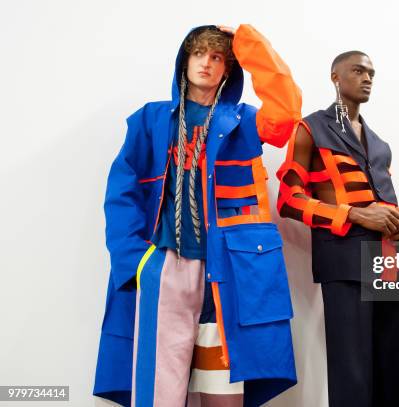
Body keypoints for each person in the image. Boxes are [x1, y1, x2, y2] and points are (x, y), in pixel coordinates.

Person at [93, 24, 302, 407]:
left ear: (229, 69)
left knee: (223, 393)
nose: (206, 63)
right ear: (184, 61)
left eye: (218, 56)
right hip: (166, 266)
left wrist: (247, 40)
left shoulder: (244, 120)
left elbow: (286, 113)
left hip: (229, 272)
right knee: (160, 391)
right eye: (199, 53)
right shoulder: (151, 119)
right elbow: (120, 196)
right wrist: (137, 263)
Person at [276, 50, 399, 407]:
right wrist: (354, 215)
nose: (367, 78)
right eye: (358, 70)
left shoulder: (380, 144)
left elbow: (385, 200)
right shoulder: (311, 127)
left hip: (391, 262)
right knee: (352, 372)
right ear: (335, 77)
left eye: (372, 73)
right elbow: (288, 200)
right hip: (345, 260)